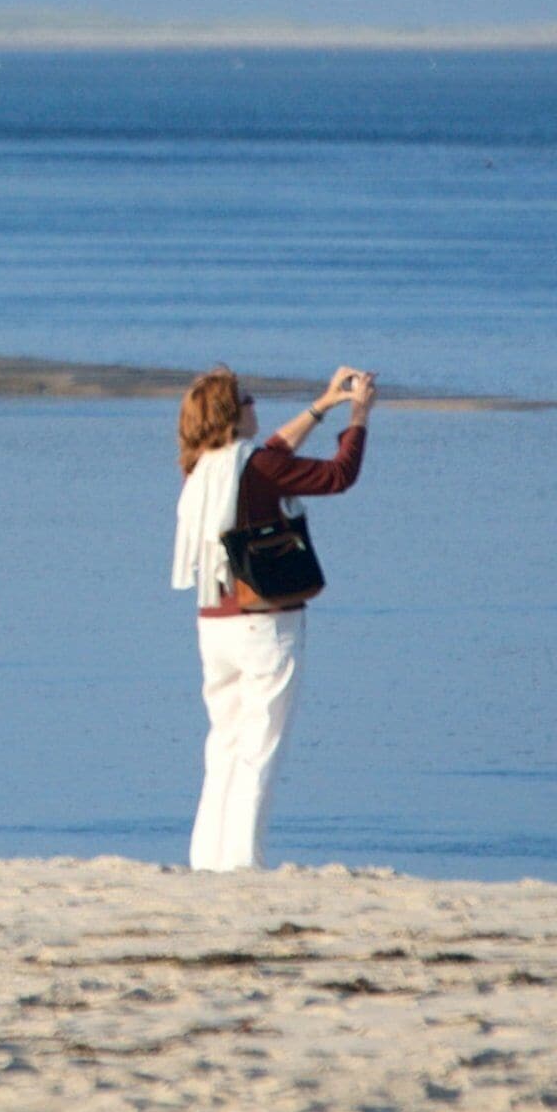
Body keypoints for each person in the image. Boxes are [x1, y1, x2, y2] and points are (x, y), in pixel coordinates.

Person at [172, 364, 375, 872]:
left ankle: (207, 859)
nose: (254, 403)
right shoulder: (256, 468)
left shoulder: (201, 470)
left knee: (224, 745)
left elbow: (271, 452)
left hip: (213, 622)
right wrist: (359, 416)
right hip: (264, 623)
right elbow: (339, 475)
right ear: (231, 416)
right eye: (246, 399)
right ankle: (242, 862)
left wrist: (321, 405)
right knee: (260, 747)